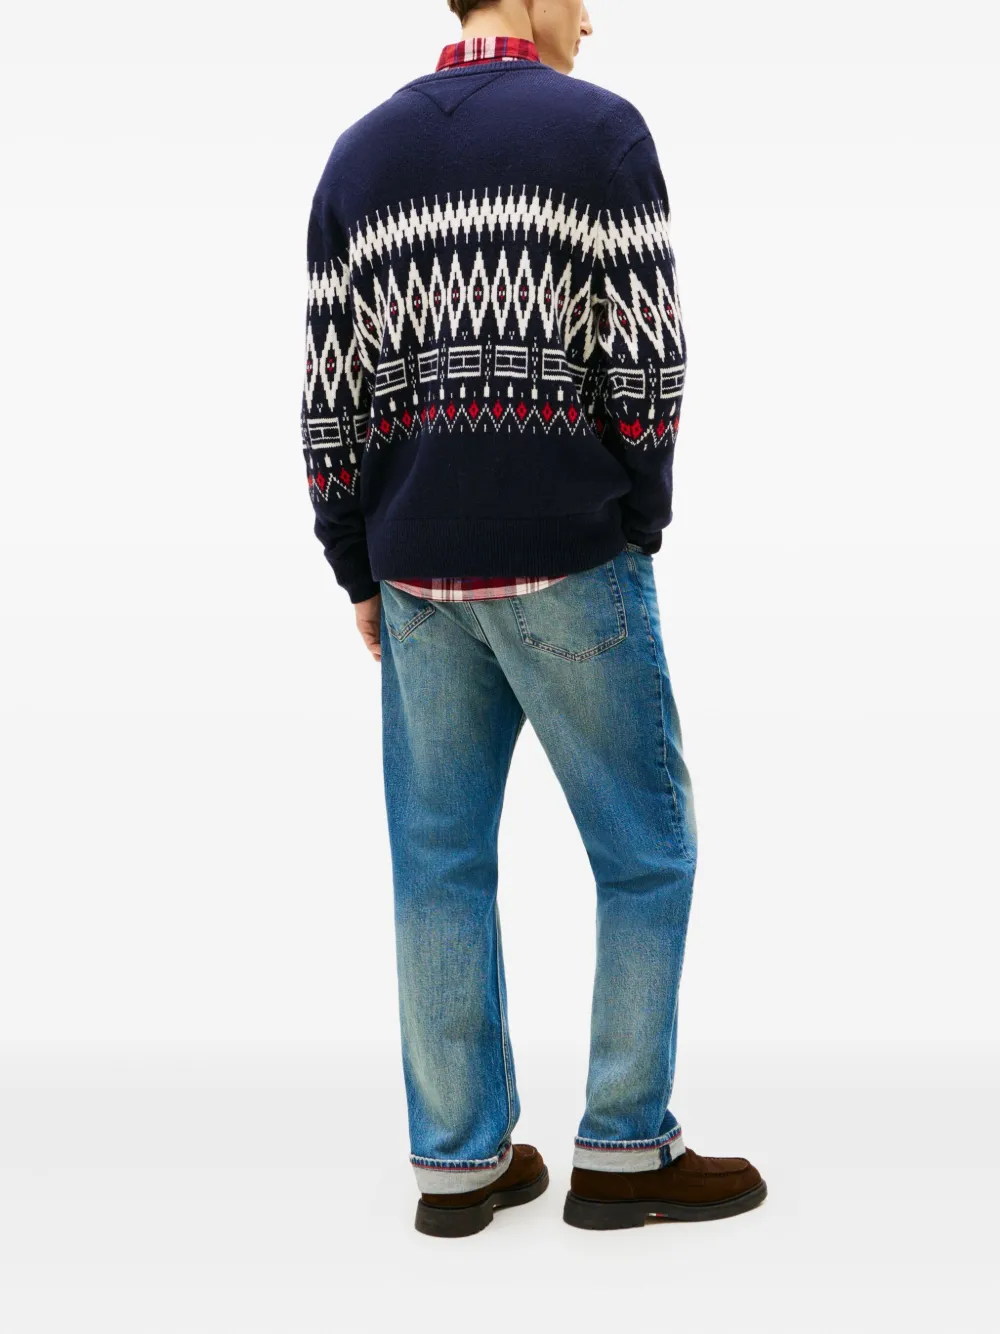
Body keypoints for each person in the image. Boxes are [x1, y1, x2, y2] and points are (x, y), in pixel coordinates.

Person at [300, 0, 766, 1237]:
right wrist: (635, 516)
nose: (592, 21)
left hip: (417, 574)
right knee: (645, 851)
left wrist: (357, 564)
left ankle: (458, 1161)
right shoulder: (598, 134)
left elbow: (329, 390)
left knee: (437, 864)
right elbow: (650, 362)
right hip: (568, 556)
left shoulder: (358, 158)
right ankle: (622, 1146)